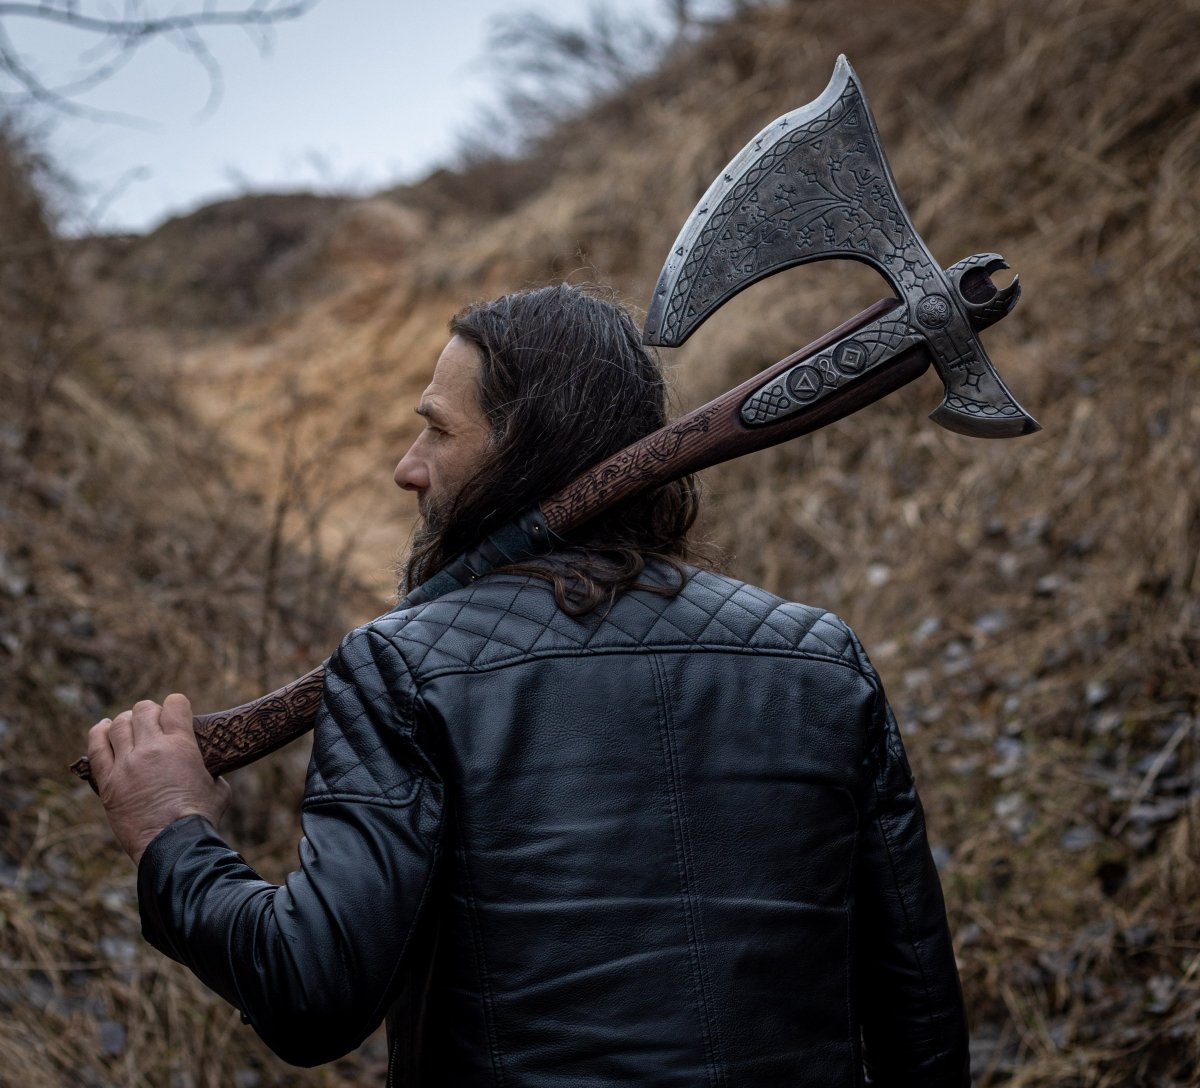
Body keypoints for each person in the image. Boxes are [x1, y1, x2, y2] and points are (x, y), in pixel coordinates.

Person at [89, 283, 970, 1086]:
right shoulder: (819, 658)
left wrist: (174, 833)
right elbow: (920, 1022)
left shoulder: (403, 667)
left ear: (525, 451)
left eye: (437, 429)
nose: (407, 466)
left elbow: (309, 992)